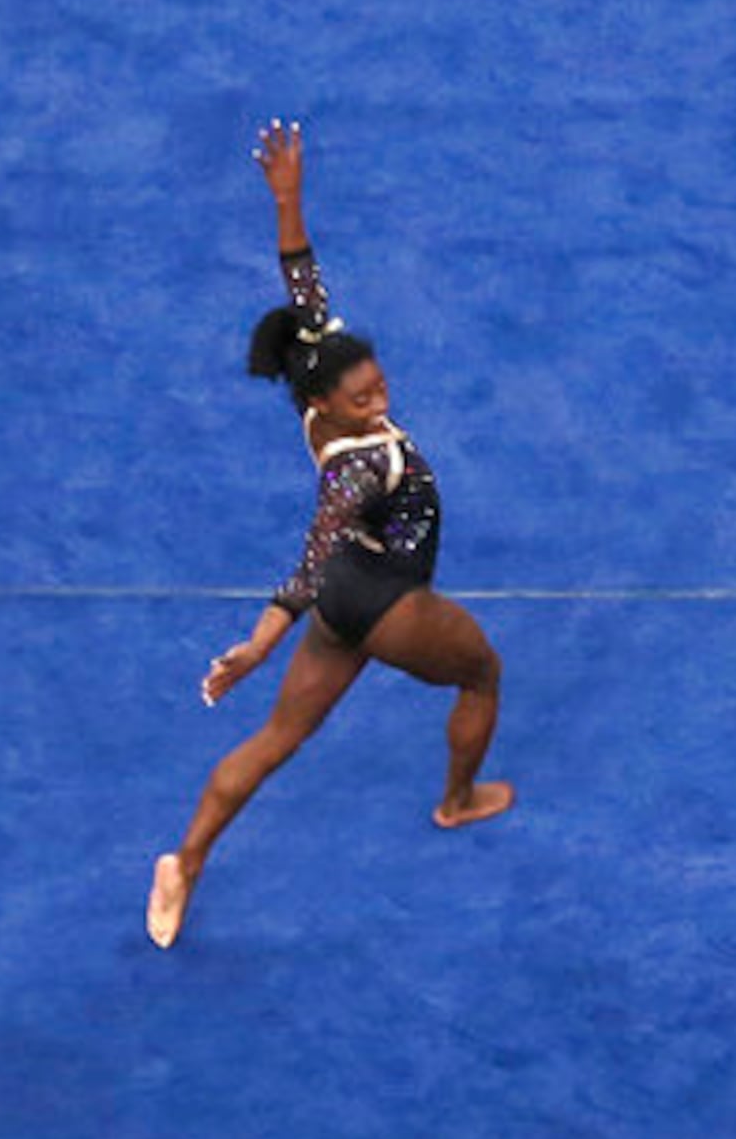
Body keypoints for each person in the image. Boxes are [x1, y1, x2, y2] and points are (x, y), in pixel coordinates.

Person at [148, 121, 513, 946]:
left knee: (280, 737)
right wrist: (256, 644)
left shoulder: (314, 396)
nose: (379, 398)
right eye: (365, 397)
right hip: (382, 598)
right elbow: (312, 560)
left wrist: (287, 201)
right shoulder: (356, 471)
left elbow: (305, 296)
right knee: (483, 673)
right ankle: (457, 802)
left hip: (349, 596)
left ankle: (185, 861)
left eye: (380, 384)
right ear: (331, 402)